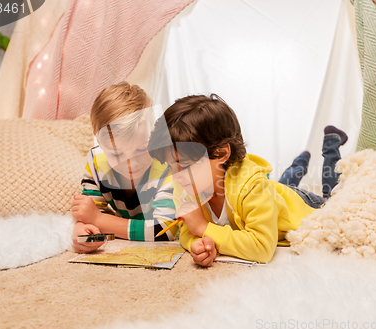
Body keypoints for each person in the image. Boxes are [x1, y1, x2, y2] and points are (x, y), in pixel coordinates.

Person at [147, 94, 346, 267]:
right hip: (274, 193)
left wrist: (203, 228)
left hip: (301, 203)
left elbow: (262, 248)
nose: (176, 175)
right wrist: (196, 244)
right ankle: (298, 166)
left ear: (222, 153)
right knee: (282, 184)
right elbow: (185, 230)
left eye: (185, 165)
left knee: (336, 196)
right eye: (171, 166)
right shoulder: (184, 185)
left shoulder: (252, 185)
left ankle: (331, 144)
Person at [72, 82, 177, 253]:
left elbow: (165, 231)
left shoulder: (167, 165)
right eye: (117, 154)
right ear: (99, 142)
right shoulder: (97, 161)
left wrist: (98, 219)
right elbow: (89, 215)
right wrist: (82, 231)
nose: (131, 164)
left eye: (142, 149)